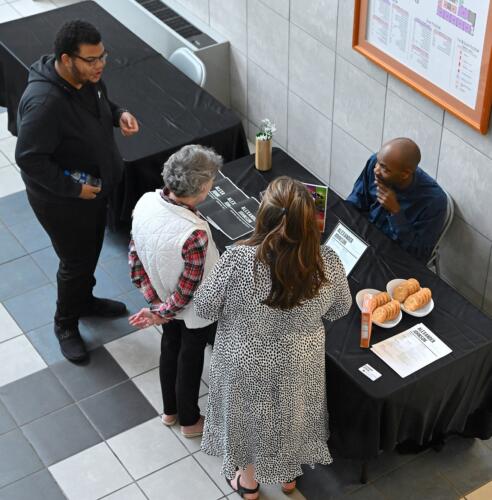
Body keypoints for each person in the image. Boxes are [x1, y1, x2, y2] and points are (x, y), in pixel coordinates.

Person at [193, 177, 352, 499]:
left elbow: (205, 306)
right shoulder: (327, 262)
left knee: (246, 422)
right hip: (299, 362)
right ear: (309, 224)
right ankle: (289, 480)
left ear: (263, 217)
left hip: (243, 359)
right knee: (290, 416)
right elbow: (341, 309)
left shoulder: (238, 260)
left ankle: (248, 486)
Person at [15, 20, 139, 362]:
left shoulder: (88, 80)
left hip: (91, 192)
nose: (100, 65)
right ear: (67, 59)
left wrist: (119, 115)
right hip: (63, 202)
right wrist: (73, 189)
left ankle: (85, 300)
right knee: (75, 261)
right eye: (91, 59)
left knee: (88, 255)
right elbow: (28, 159)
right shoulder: (45, 104)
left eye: (103, 56)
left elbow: (102, 105)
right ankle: (66, 323)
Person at [128, 145, 222, 438]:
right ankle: (190, 422)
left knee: (170, 347)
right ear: (203, 188)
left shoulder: (144, 202)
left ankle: (170, 411)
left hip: (162, 299)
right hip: (193, 311)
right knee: (190, 358)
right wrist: (162, 312)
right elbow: (188, 291)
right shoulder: (194, 232)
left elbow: (134, 257)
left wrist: (156, 307)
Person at [346, 138, 447, 262]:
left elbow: (419, 254)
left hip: (392, 257)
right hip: (362, 239)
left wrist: (396, 213)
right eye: (378, 162)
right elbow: (354, 203)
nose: (376, 170)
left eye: (385, 169)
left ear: (405, 174)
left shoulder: (433, 201)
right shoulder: (375, 163)